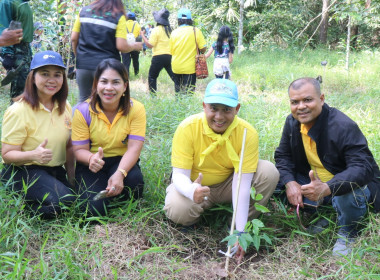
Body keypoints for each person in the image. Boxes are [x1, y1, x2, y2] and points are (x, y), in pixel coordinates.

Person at [164, 79, 279, 262]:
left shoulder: (247, 133)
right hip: (196, 186)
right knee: (178, 209)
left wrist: (239, 231)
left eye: (227, 109)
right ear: (204, 106)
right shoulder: (187, 128)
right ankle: (193, 221)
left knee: (268, 172)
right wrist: (191, 190)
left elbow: (242, 185)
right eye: (214, 108)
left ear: (237, 109)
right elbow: (179, 175)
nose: (219, 116)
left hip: (228, 183)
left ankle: (234, 225)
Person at [274, 77, 380, 256]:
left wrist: (327, 187)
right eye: (295, 102)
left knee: (348, 189)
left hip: (341, 184)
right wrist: (290, 182)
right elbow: (283, 156)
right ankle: (327, 211)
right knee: (271, 176)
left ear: (321, 99)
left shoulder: (342, 125)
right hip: (316, 182)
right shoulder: (292, 123)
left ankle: (348, 231)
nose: (301, 106)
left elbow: (363, 167)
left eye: (307, 100)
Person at [1, 51, 76, 218]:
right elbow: (7, 155)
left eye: (57, 75)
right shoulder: (18, 111)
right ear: (32, 77)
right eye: (44, 74)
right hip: (23, 170)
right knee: (63, 203)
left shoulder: (65, 107)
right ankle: (18, 209)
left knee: (77, 199)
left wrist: (72, 179)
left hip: (53, 169)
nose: (52, 80)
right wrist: (33, 155)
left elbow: (69, 146)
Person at [72, 58, 146, 216]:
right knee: (94, 210)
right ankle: (102, 189)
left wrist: (120, 173)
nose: (109, 88)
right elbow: (78, 150)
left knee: (135, 186)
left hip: (121, 160)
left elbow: (134, 148)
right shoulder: (83, 110)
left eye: (116, 82)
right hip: (91, 164)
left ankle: (113, 184)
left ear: (125, 86)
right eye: (104, 81)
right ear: (96, 84)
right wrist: (91, 159)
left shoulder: (136, 109)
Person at [71, 0, 142, 102]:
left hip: (83, 65)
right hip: (107, 68)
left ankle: (73, 118)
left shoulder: (84, 11)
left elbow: (74, 38)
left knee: (83, 100)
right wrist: (135, 46)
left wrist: (79, 58)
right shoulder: (117, 16)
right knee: (105, 103)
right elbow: (121, 45)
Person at [0, 0, 33, 100]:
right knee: (20, 92)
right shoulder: (7, 3)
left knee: (29, 88)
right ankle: (15, 114)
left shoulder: (25, 3)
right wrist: (7, 54)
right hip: (15, 50)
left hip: (25, 50)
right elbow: (4, 31)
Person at [170, 8, 207, 94]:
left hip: (176, 67)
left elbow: (171, 51)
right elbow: (203, 49)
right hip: (190, 68)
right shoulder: (196, 31)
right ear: (190, 20)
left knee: (178, 93)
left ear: (179, 20)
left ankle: (178, 106)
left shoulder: (174, 32)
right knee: (189, 93)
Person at [140, 8, 175, 95]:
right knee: (174, 76)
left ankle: (153, 96)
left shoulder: (156, 30)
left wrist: (142, 35)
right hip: (169, 56)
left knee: (152, 76)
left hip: (158, 57)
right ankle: (181, 92)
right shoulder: (170, 30)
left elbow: (150, 45)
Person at [121, 11, 141, 76]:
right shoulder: (137, 25)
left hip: (125, 45)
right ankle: (136, 73)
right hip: (134, 45)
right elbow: (139, 35)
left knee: (125, 62)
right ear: (134, 18)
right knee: (135, 60)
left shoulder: (123, 24)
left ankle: (126, 76)